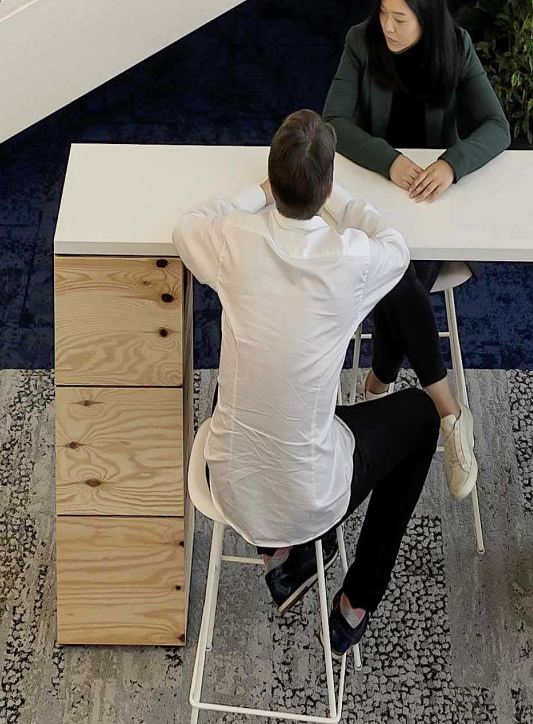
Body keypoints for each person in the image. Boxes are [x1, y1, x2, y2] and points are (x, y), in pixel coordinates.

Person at [175, 111, 441, 661]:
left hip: (226, 483)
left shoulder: (233, 239)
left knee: (254, 373)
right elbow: (396, 243)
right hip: (314, 496)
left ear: (273, 181)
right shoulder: (353, 259)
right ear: (323, 189)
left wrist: (256, 195)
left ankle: (282, 553)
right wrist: (340, 200)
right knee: (420, 417)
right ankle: (356, 601)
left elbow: (187, 226)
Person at [323, 0, 503, 497]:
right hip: (376, 201)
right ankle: (449, 412)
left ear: (428, 18)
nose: (389, 27)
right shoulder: (361, 42)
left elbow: (497, 126)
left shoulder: (456, 46)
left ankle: (378, 382)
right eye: (384, 13)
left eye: (401, 19)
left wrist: (450, 163)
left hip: (428, 207)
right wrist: (390, 161)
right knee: (397, 273)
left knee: (396, 275)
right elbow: (333, 122)